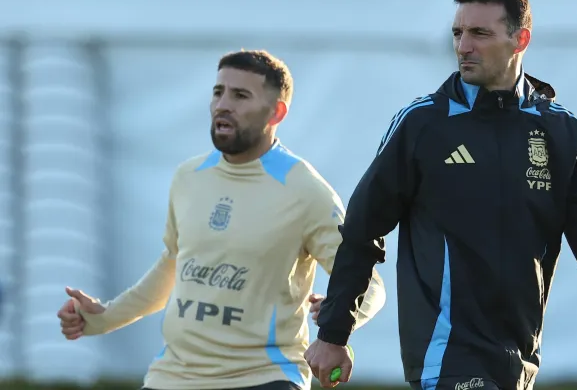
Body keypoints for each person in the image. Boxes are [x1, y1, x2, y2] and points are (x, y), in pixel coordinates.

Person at [305, 0, 577, 390]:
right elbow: (363, 230)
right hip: (446, 350)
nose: (463, 46)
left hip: (520, 355)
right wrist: (334, 333)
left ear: (519, 39)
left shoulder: (561, 131)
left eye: (479, 33)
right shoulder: (423, 124)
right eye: (458, 33)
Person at [56, 49, 386, 390]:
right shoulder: (189, 176)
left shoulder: (305, 190)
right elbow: (171, 267)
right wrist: (103, 317)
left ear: (277, 112)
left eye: (240, 95)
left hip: (263, 378)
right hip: (172, 377)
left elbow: (370, 284)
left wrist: (339, 321)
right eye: (218, 92)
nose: (223, 105)